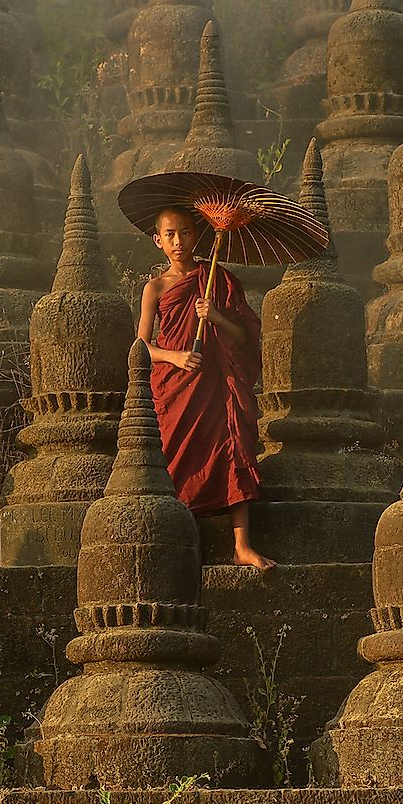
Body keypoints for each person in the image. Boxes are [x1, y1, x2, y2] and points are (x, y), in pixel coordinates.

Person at [137, 205, 276, 570]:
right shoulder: (155, 287)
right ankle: (178, 541)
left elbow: (243, 335)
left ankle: (242, 545)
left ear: (196, 235)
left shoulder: (217, 280)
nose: (178, 241)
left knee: (234, 450)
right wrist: (176, 357)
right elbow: (141, 347)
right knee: (174, 458)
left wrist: (214, 316)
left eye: (185, 232)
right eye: (170, 234)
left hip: (216, 384)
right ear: (158, 241)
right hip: (174, 387)